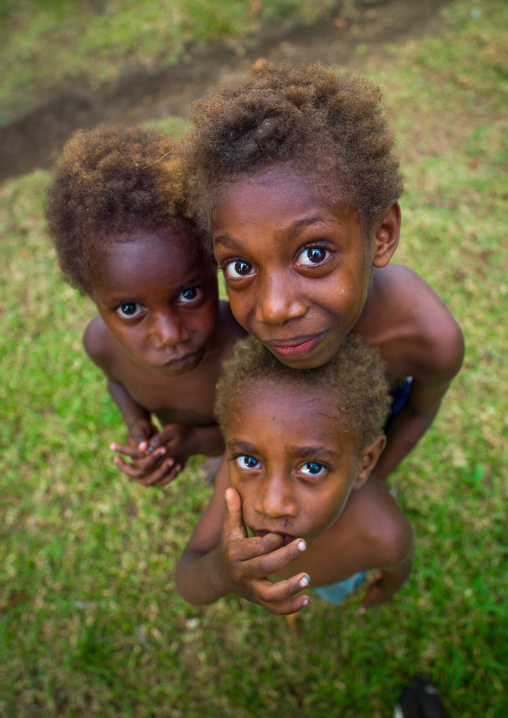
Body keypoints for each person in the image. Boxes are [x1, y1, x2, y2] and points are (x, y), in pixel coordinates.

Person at [181, 62, 464, 483]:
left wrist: (365, 487)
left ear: (382, 235)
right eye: (241, 266)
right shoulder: (235, 334)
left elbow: (419, 412)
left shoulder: (428, 339)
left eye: (314, 254)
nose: (275, 309)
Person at [46, 125, 244, 487]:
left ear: (213, 263)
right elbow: (117, 383)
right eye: (129, 309)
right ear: (93, 297)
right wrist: (137, 423)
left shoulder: (244, 346)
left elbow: (260, 429)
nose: (170, 335)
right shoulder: (100, 344)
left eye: (189, 294)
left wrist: (195, 442)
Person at [176, 335, 414, 616]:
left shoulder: (385, 536)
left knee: (331, 591)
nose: (271, 505)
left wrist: (387, 589)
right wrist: (218, 572)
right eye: (249, 460)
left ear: (365, 463)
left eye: (312, 467)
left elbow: (398, 568)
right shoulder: (232, 490)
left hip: (338, 573)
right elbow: (187, 573)